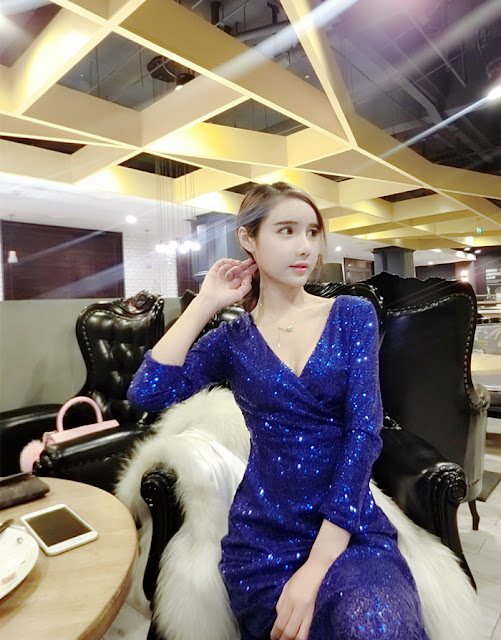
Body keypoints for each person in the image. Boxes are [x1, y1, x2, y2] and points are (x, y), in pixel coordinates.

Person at [127, 182, 430, 640]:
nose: (305, 246)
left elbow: (364, 432)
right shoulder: (232, 341)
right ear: (248, 238)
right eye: (286, 230)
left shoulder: (352, 315)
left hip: (346, 524)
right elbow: (148, 392)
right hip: (265, 536)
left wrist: (319, 564)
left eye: (312, 232)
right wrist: (206, 303)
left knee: (373, 622)